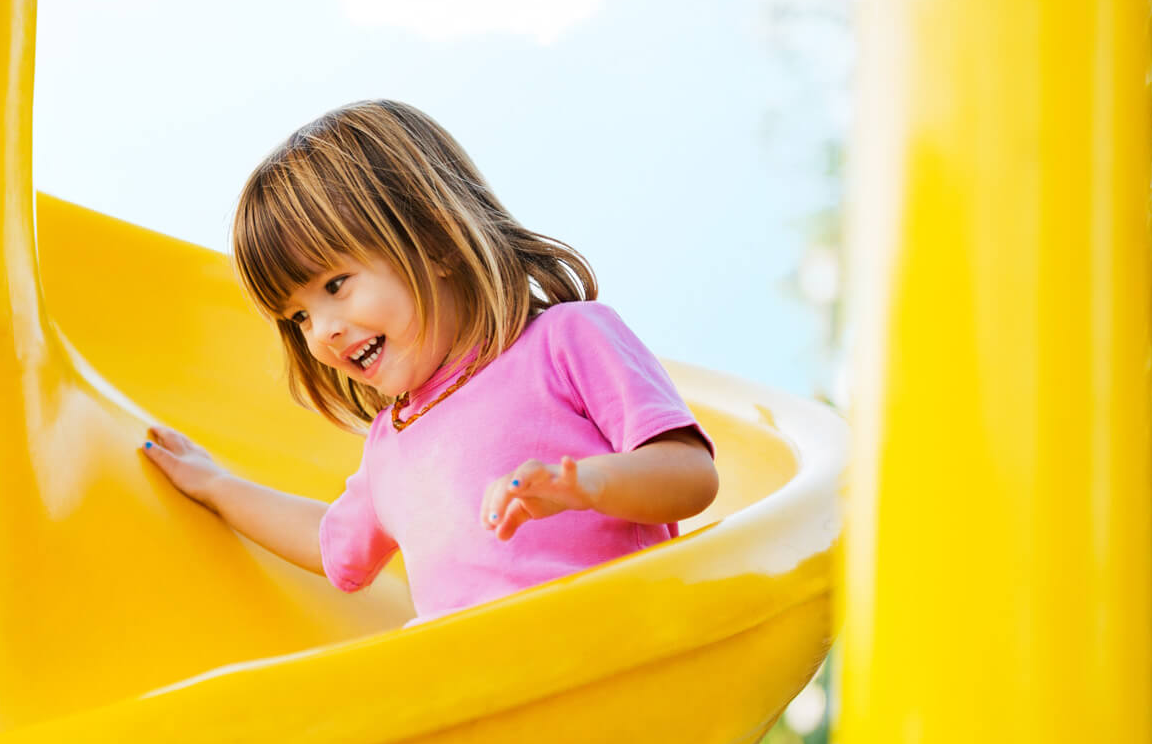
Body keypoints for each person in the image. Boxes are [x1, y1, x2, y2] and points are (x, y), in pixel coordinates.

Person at [140, 99, 719, 622]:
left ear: (434, 242)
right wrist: (215, 485)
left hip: (615, 654)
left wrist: (588, 485)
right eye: (299, 317)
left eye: (336, 285)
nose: (323, 333)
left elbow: (691, 475)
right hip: (483, 697)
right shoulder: (392, 442)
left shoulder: (566, 340)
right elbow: (329, 543)